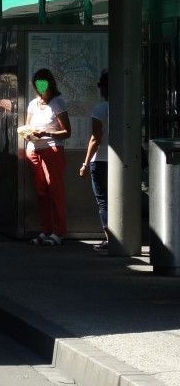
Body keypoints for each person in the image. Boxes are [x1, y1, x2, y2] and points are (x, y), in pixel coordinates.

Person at [24, 67, 71, 245]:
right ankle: (47, 229)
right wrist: (28, 134)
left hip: (53, 149)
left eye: (43, 84)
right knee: (41, 192)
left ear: (50, 84)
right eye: (38, 85)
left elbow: (67, 132)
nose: (41, 88)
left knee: (55, 191)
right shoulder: (32, 104)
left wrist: (47, 134)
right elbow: (28, 128)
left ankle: (59, 231)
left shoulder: (58, 102)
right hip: (34, 149)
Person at [80, 70, 109, 251]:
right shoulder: (127, 107)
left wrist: (85, 163)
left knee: (103, 201)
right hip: (120, 161)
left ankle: (110, 238)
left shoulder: (100, 109)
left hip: (100, 161)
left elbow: (95, 139)